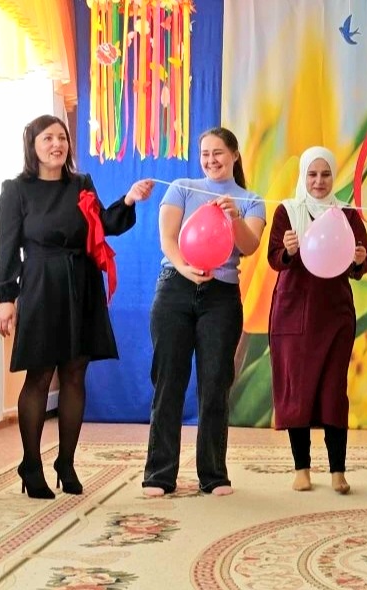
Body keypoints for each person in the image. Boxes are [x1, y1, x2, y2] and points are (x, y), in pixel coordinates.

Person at [0, 115, 154, 499]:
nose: (57, 144)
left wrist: (129, 199)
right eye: (48, 138)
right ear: (33, 145)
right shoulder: (16, 190)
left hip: (82, 284)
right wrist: (5, 298)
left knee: (75, 375)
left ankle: (66, 462)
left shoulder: (81, 184)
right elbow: (6, 247)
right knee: (39, 375)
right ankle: (31, 464)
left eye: (62, 138)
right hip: (41, 286)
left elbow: (102, 226)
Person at [142, 127, 266, 497]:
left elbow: (249, 246)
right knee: (168, 382)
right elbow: (167, 239)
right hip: (175, 288)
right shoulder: (181, 187)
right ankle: (159, 475)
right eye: (205, 154)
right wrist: (185, 268)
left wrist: (234, 218)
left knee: (215, 384)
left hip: (221, 296)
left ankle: (213, 474)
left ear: (234, 155)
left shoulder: (251, 200)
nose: (211, 160)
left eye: (218, 153)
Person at [267, 147, 367, 494]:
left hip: (334, 316)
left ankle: (338, 471)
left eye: (325, 174)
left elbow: (362, 264)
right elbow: (273, 259)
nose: (319, 181)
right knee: (297, 392)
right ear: (303, 176)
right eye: (312, 174)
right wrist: (287, 251)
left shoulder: (347, 214)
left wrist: (358, 258)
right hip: (293, 315)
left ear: (334, 177)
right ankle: (302, 469)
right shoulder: (287, 210)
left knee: (332, 393)